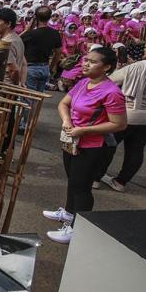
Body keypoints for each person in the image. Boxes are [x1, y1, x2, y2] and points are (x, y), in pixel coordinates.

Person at [45, 47, 126, 244]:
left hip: (93, 145)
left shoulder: (111, 92)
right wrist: (67, 121)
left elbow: (119, 124)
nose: (86, 64)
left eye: (92, 61)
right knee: (73, 180)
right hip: (72, 140)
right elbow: (63, 103)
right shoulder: (82, 83)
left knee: (82, 187)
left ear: (106, 67)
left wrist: (84, 131)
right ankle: (69, 213)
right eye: (86, 60)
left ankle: (77, 229)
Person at [101, 36, 146, 192]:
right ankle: (121, 182)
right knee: (136, 149)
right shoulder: (140, 66)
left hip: (126, 114)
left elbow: (109, 81)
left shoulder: (141, 66)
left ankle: (96, 177)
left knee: (107, 145)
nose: (144, 49)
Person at [21, 6, 62, 93]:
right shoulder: (55, 34)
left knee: (27, 99)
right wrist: (51, 67)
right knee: (38, 97)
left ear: (35, 17)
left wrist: (27, 30)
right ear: (50, 17)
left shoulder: (30, 34)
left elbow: (14, 42)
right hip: (45, 67)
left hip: (31, 68)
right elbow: (58, 53)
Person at [0, 8, 26, 86]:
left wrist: (16, 86)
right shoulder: (17, 38)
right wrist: (22, 82)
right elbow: (24, 64)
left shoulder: (5, 42)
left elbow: (14, 70)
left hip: (5, 86)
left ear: (8, 24)